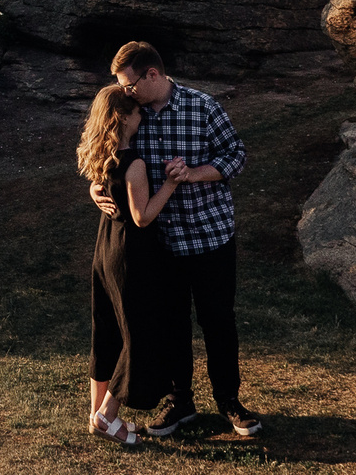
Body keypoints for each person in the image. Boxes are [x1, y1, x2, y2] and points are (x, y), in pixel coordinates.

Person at [91, 40, 260, 438]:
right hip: (160, 244)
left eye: (129, 84)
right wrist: (97, 189)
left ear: (153, 74)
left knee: (218, 321)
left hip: (209, 236)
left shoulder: (203, 106)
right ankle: (180, 403)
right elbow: (111, 156)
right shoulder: (134, 114)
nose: (125, 93)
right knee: (171, 325)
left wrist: (193, 174)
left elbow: (236, 155)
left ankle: (229, 402)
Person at [77, 83, 183, 445]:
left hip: (104, 248)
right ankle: (108, 416)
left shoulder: (101, 157)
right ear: (123, 117)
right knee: (138, 334)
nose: (142, 116)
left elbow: (101, 187)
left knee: (105, 330)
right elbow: (142, 217)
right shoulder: (134, 163)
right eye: (137, 112)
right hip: (131, 254)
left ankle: (95, 415)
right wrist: (170, 183)